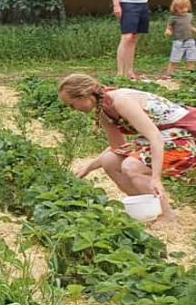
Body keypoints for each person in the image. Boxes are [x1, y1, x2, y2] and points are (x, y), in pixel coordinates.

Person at [61, 73, 196, 223]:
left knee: (131, 166)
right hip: (163, 138)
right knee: (109, 161)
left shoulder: (122, 101)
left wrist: (155, 178)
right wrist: (88, 168)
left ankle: (166, 215)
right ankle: (147, 210)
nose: (72, 109)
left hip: (184, 140)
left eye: (71, 104)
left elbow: (155, 138)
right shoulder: (103, 110)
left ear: (83, 96)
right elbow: (117, 147)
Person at [164, 0, 194, 79]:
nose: (184, 10)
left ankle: (190, 74)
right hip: (178, 42)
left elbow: (189, 26)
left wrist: (194, 29)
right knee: (175, 59)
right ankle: (169, 74)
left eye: (186, 8)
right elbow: (169, 27)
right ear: (175, 8)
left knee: (191, 58)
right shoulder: (173, 18)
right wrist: (168, 31)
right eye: (181, 8)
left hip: (190, 41)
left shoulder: (189, 16)